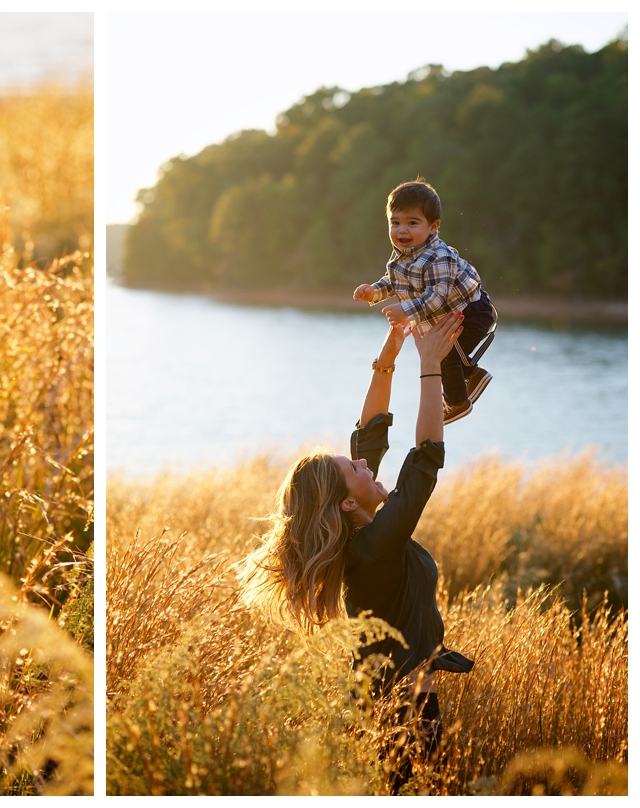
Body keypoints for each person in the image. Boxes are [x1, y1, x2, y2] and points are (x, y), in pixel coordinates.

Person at [239, 314, 475, 794]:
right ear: (349, 502)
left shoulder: (363, 539)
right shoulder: (373, 548)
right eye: (356, 469)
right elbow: (425, 459)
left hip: (393, 701)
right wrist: (430, 367)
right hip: (401, 709)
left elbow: (368, 436)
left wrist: (388, 359)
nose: (366, 463)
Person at [353, 178, 497, 425]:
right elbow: (393, 281)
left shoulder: (438, 257)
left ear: (433, 227)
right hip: (454, 313)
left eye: (412, 223)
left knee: (443, 354)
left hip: (473, 311)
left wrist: (406, 309)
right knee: (444, 353)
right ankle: (472, 376)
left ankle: (457, 402)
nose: (402, 230)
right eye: (395, 222)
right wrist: (373, 292)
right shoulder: (402, 256)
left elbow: (437, 296)